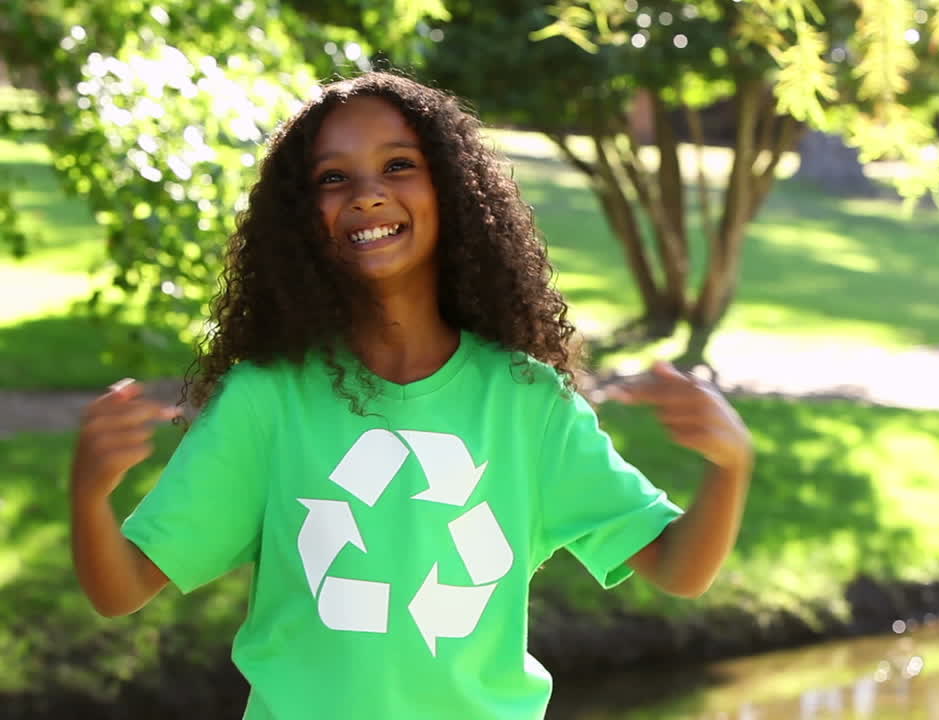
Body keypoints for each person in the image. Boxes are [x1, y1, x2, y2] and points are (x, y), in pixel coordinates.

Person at [68, 71, 753, 719]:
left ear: (453, 192)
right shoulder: (265, 403)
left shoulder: (527, 405)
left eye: (399, 165)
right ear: (301, 219)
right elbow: (120, 588)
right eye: (333, 178)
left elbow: (678, 568)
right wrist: (90, 492)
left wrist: (730, 466)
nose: (367, 194)